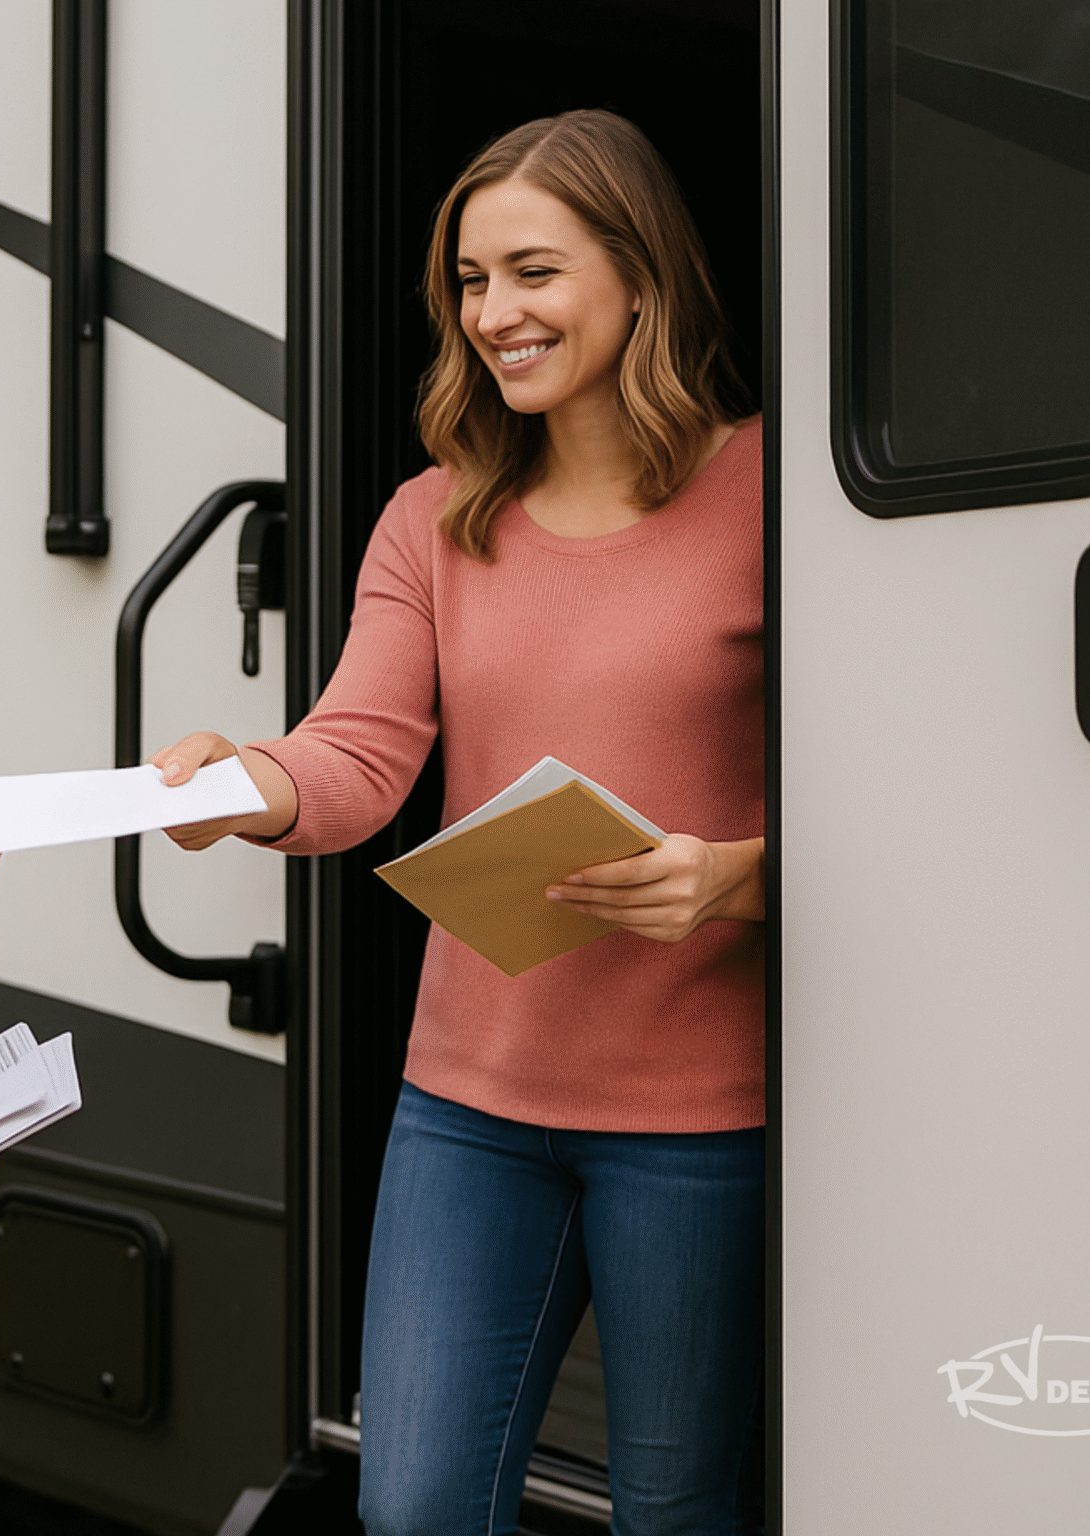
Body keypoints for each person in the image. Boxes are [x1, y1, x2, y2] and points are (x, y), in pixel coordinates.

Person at [151, 112, 765, 1535]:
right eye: (472, 283)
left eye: (533, 273)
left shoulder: (771, 495)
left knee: (677, 1512)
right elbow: (358, 755)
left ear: (640, 276)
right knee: (415, 1506)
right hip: (468, 1109)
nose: (494, 315)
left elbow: (893, 796)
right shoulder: (434, 518)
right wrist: (239, 784)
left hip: (698, 1118)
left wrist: (733, 878)